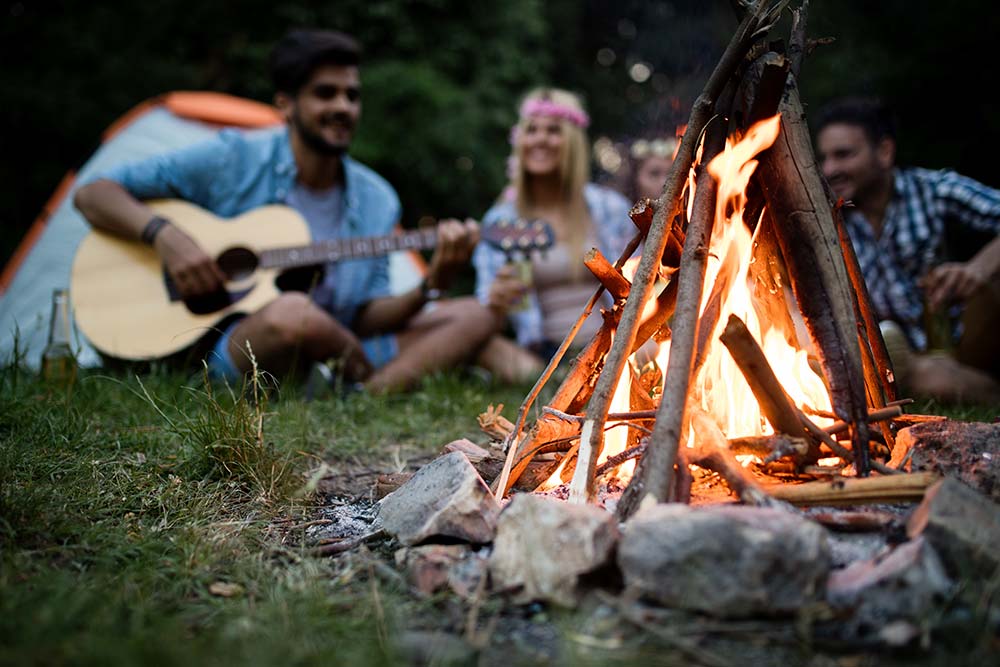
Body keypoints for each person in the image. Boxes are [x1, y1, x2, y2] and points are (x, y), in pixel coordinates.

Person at [73, 28, 495, 393]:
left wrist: (431, 285)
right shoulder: (233, 157)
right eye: (325, 93)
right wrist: (167, 237)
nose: (344, 107)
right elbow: (93, 194)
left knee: (477, 313)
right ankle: (358, 378)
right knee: (292, 313)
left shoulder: (377, 198)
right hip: (233, 345)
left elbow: (367, 317)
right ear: (286, 104)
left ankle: (365, 392)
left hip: (338, 345)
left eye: (352, 95)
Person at [813, 95, 1000, 403]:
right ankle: (955, 385)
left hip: (965, 338)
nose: (830, 169)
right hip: (901, 359)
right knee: (905, 369)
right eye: (825, 158)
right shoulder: (829, 224)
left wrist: (977, 269)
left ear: (884, 152)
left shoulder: (935, 190)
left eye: (844, 155)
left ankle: (955, 381)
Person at [473, 88, 635, 378]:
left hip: (610, 342)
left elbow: (643, 281)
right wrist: (496, 302)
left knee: (656, 345)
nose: (541, 139)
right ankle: (552, 378)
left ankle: (594, 373)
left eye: (553, 130)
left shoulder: (608, 207)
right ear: (519, 140)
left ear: (572, 142)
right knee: (478, 342)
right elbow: (487, 310)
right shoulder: (501, 220)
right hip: (540, 354)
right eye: (532, 129)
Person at [615, 133, 678, 203]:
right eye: (654, 174)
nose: (664, 182)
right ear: (635, 177)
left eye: (671, 174)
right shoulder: (617, 210)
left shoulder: (688, 212)